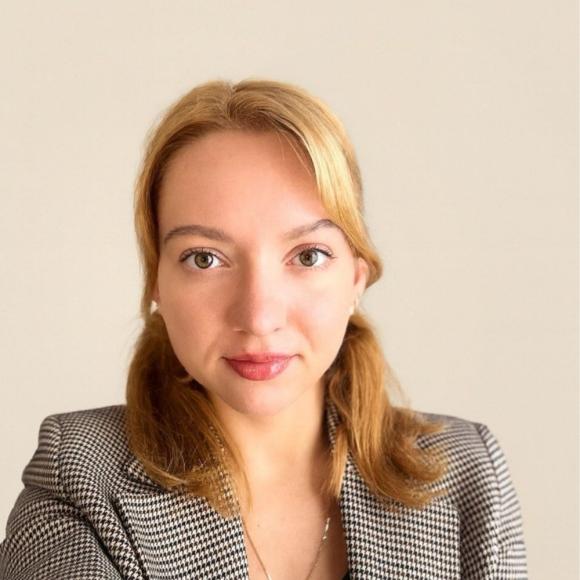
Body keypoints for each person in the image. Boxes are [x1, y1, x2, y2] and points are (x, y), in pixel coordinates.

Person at [0, 78, 528, 580]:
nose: (257, 317)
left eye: (308, 255)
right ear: (156, 280)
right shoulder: (80, 477)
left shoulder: (468, 475)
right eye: (204, 258)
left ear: (356, 278)